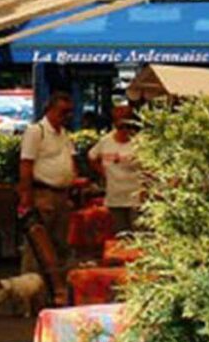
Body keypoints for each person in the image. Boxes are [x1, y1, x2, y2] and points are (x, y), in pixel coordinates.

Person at [18, 90, 77, 273]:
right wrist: (26, 197)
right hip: (43, 194)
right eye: (63, 112)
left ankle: (55, 286)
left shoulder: (64, 134)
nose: (66, 116)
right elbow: (26, 165)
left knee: (60, 244)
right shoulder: (37, 132)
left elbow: (71, 160)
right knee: (38, 244)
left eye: (69, 112)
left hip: (62, 195)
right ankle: (31, 284)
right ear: (50, 110)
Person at [88, 105, 142, 234]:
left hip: (136, 199)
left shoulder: (139, 142)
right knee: (119, 236)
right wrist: (104, 172)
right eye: (120, 126)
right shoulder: (105, 141)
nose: (124, 130)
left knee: (139, 235)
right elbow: (91, 157)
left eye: (127, 126)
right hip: (114, 197)